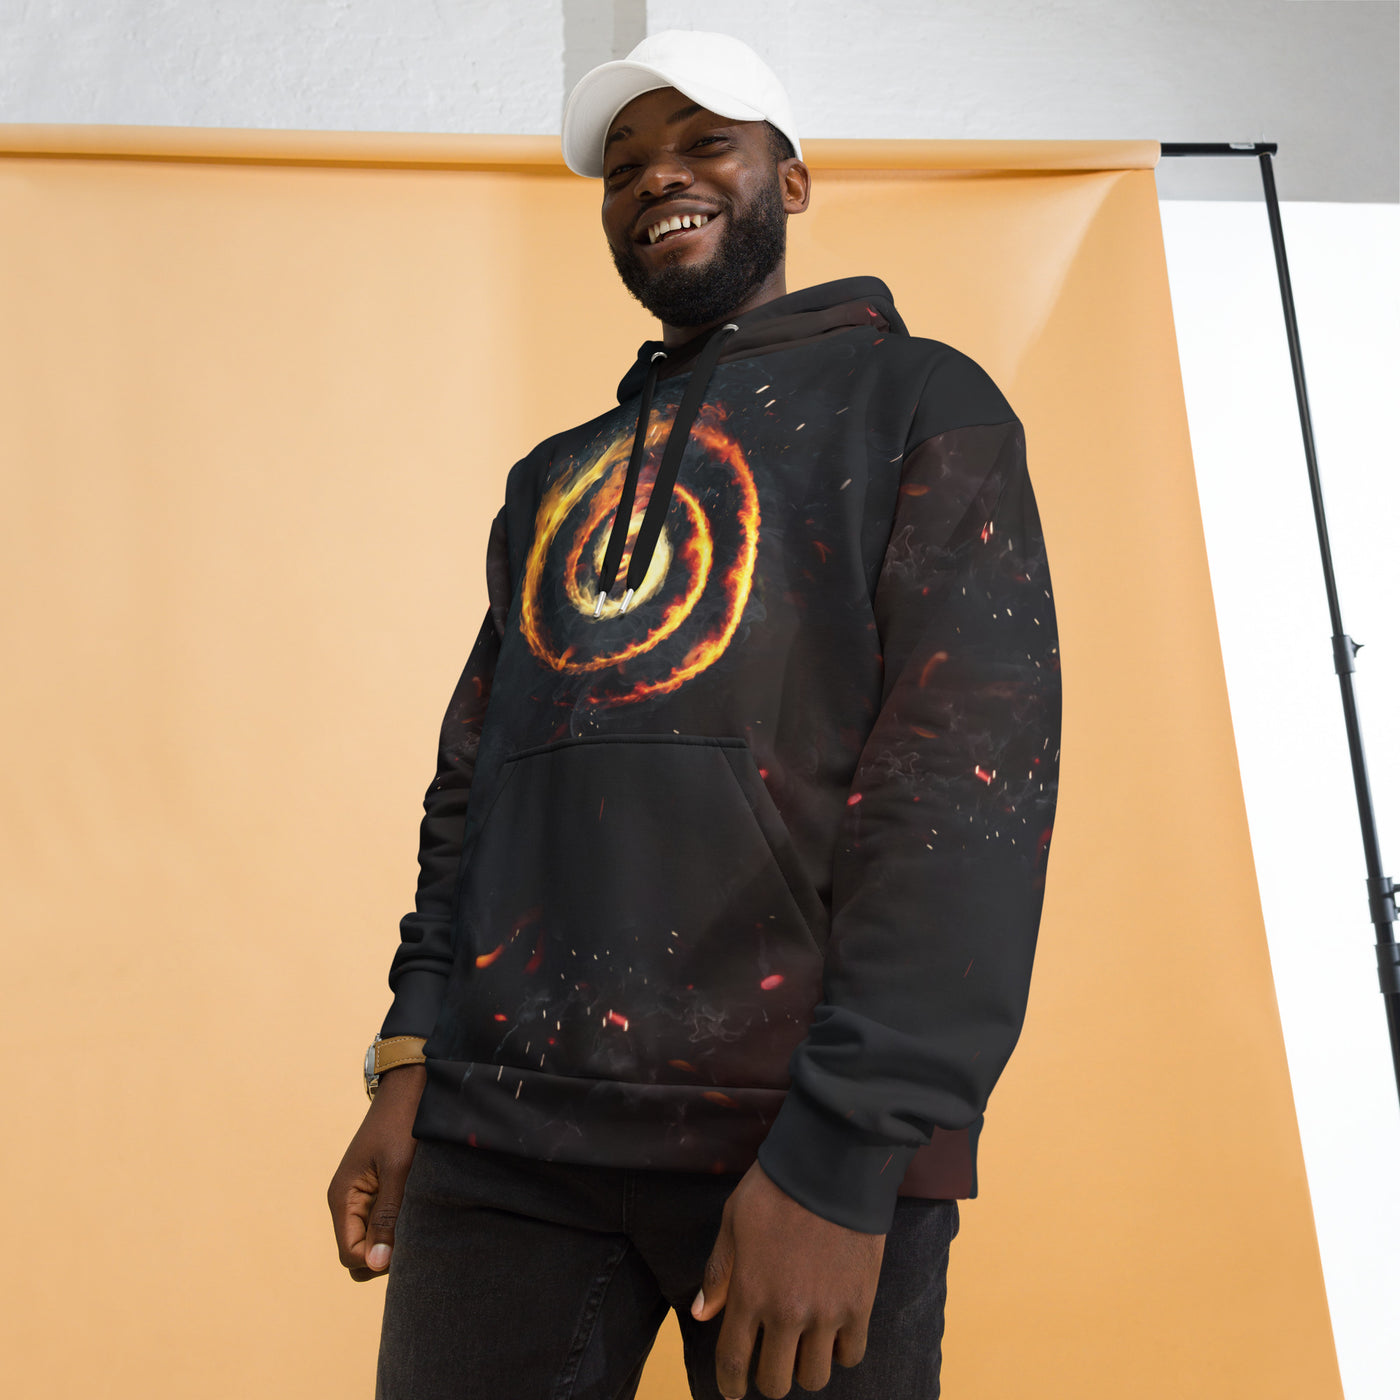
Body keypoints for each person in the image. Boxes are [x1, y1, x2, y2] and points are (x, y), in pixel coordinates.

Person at [328, 28, 1061, 1400]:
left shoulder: (922, 405)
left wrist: (848, 1154)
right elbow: (475, 787)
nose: (658, 177)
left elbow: (962, 796)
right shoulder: (553, 479)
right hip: (500, 1143)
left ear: (792, 181)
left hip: (789, 1143)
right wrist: (412, 1053)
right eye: (624, 166)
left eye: (704, 143)